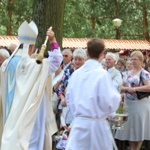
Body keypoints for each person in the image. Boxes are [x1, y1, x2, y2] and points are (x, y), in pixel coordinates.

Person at [0, 20, 63, 150]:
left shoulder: (5, 65)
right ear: (31, 47)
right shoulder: (32, 66)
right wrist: (53, 40)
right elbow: (56, 60)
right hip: (28, 114)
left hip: (9, 114)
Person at [65, 38, 120, 150]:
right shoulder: (102, 75)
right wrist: (110, 112)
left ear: (86, 53)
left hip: (79, 124)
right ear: (102, 53)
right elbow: (110, 101)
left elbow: (69, 97)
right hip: (97, 127)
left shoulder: (76, 74)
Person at [115, 51, 150, 150]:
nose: (133, 61)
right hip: (128, 104)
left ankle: (137, 148)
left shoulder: (144, 73)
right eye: (131, 59)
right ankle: (131, 147)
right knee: (129, 128)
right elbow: (121, 87)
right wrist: (127, 89)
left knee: (139, 128)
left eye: (135, 59)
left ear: (141, 60)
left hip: (140, 104)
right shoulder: (126, 73)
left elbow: (148, 87)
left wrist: (135, 89)